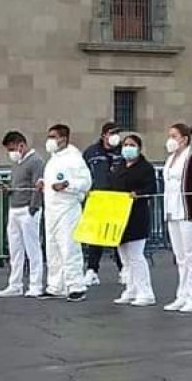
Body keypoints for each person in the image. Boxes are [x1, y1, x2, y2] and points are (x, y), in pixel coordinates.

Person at [162, 123, 192, 313]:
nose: (170, 140)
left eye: (174, 136)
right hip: (173, 211)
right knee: (180, 256)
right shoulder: (171, 159)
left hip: (190, 212)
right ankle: (182, 294)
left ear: (184, 138)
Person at [39, 124, 92, 302]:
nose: (50, 141)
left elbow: (86, 181)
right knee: (52, 246)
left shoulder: (74, 158)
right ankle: (55, 285)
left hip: (67, 208)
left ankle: (76, 285)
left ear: (64, 138)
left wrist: (67, 185)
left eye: (53, 137)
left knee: (69, 246)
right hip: (51, 208)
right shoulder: (53, 159)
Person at [0, 131, 45, 298]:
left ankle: (35, 284)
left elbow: (38, 185)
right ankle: (15, 284)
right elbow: (19, 184)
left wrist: (34, 207)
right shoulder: (17, 162)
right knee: (15, 249)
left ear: (21, 145)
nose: (11, 153)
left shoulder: (36, 161)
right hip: (14, 207)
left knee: (32, 248)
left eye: (12, 149)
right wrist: (8, 190)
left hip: (27, 209)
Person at [111, 134, 157, 306]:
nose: (127, 148)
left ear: (138, 148)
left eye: (131, 145)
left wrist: (137, 194)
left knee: (136, 255)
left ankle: (145, 291)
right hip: (119, 215)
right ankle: (131, 288)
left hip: (136, 215)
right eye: (125, 144)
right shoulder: (119, 167)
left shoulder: (145, 168)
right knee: (124, 257)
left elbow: (151, 188)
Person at [82, 122, 124, 287]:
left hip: (117, 198)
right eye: (112, 133)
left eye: (117, 133)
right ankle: (92, 270)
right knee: (96, 237)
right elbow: (83, 172)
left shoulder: (123, 151)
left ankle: (123, 270)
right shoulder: (92, 153)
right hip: (97, 198)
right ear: (104, 135)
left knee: (118, 236)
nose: (115, 136)